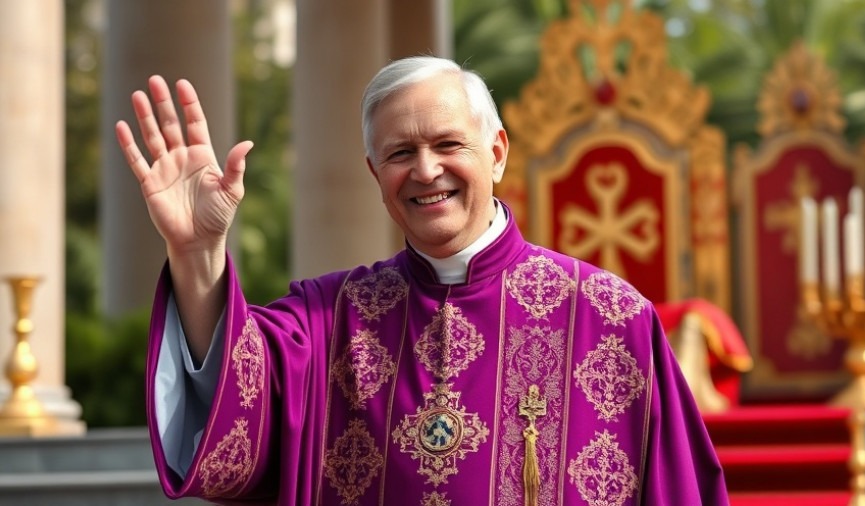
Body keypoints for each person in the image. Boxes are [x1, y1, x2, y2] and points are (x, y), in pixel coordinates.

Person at [116, 55, 729, 505]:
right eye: (400, 153)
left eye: (447, 143)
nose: (426, 170)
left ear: (496, 151)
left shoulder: (611, 316)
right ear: (373, 170)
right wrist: (197, 252)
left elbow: (680, 491)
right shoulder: (329, 318)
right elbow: (233, 431)